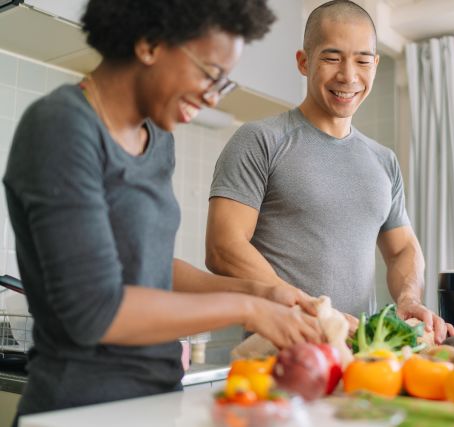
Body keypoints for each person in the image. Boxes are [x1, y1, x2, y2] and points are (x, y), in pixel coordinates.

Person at [4, 0, 323, 421]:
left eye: (222, 83)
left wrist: (258, 291)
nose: (211, 96)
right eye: (210, 74)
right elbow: (95, 313)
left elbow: (153, 267)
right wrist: (250, 311)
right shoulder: (60, 127)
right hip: (81, 409)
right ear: (150, 44)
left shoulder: (157, 135)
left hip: (157, 401)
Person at [206, 0, 454, 343]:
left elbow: (403, 250)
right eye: (332, 57)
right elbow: (224, 247)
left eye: (362, 60)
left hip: (360, 356)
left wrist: (409, 298)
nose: (348, 75)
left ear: (374, 64)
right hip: (278, 353)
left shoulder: (384, 161)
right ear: (303, 62)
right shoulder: (260, 139)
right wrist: (319, 312)